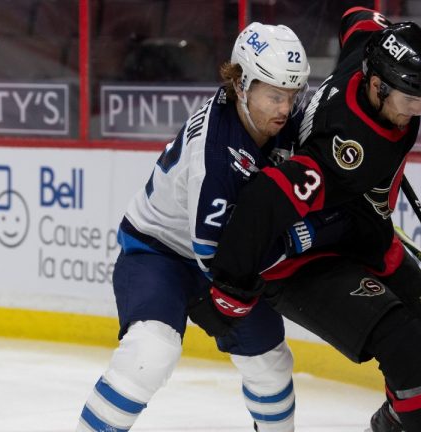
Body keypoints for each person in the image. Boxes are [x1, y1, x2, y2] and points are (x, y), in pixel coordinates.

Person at [208, 8, 421, 432]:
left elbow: (356, 16)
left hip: (361, 228)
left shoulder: (369, 46)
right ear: (378, 86)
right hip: (307, 256)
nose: (419, 109)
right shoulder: (343, 151)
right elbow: (263, 202)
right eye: (411, 99)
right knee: (410, 351)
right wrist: (228, 288)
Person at [76, 22, 311, 432]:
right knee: (150, 353)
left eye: (292, 96)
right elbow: (215, 257)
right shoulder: (215, 156)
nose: (285, 109)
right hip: (159, 252)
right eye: (275, 95)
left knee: (271, 365)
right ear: (241, 85)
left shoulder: (281, 119)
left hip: (226, 253)